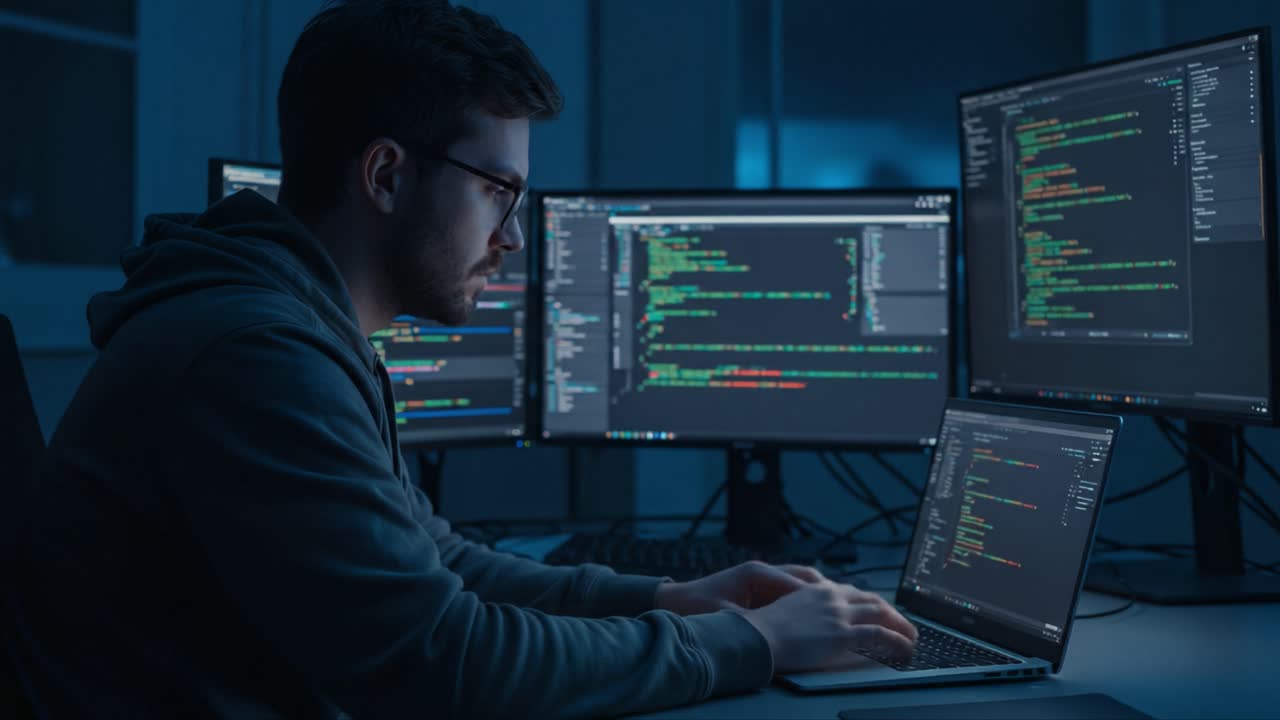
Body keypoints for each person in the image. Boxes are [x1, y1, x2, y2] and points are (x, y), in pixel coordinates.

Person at [4, 1, 916, 716]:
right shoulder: (252, 355)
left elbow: (437, 567)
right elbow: (442, 662)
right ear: (387, 176)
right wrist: (752, 646)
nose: (513, 238)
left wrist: (679, 597)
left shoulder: (283, 322)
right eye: (499, 193)